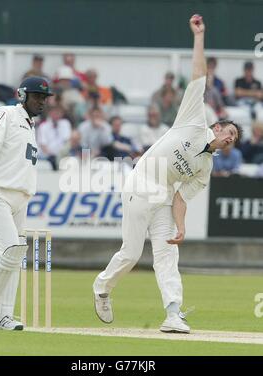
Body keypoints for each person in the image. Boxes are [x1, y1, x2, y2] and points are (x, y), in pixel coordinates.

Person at [93, 15, 242, 334]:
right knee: (131, 254)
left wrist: (182, 226)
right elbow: (199, 74)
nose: (230, 138)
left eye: (234, 138)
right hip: (138, 186)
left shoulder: (206, 167)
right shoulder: (192, 118)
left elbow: (180, 197)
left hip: (163, 200)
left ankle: (173, 314)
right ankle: (102, 288)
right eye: (228, 131)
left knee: (167, 254)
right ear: (216, 127)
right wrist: (199, 36)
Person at [0, 76, 53, 330]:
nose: (41, 101)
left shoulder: (31, 126)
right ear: (22, 95)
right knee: (8, 252)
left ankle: (4, 313)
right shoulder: (5, 114)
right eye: (37, 96)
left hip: (20, 198)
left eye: (44, 98)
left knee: (15, 256)